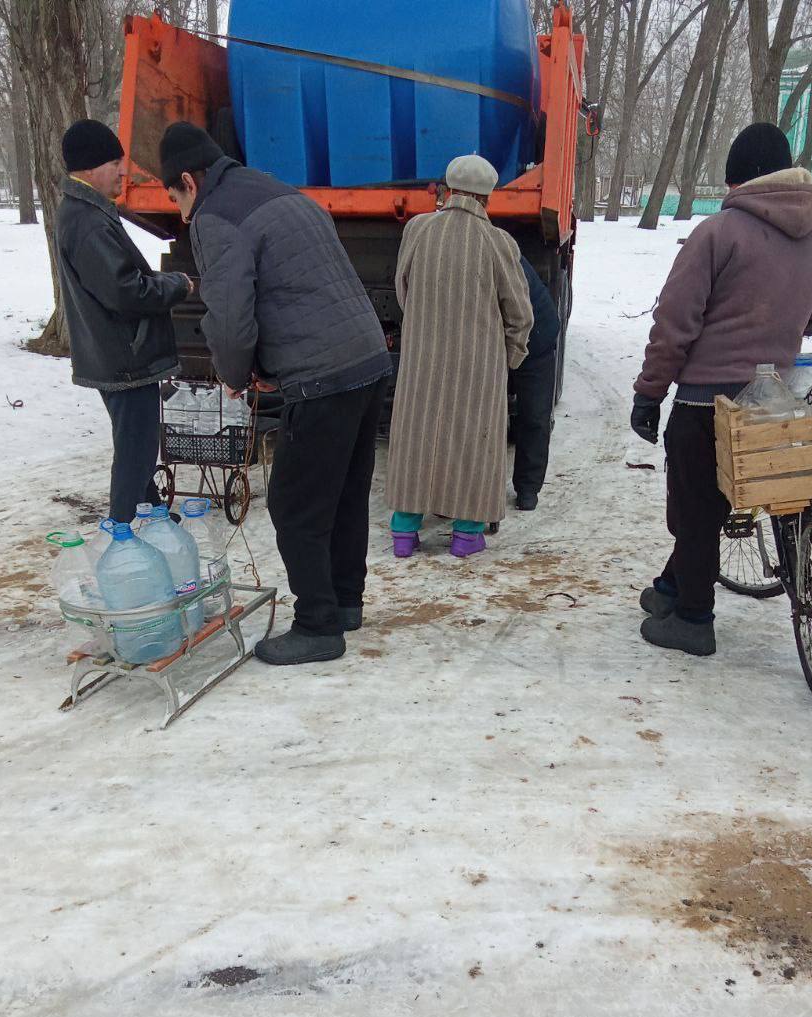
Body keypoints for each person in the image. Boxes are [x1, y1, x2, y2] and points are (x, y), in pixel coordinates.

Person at [160, 122, 392, 666]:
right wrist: (268, 363)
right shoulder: (280, 191)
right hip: (366, 360)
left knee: (293, 503)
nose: (179, 212)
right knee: (342, 494)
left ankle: (316, 624)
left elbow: (231, 318)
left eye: (175, 197)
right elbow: (297, 288)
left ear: (189, 181)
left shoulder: (215, 218)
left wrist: (237, 374)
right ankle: (344, 603)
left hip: (323, 373)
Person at [631, 123, 812, 657]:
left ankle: (694, 621)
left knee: (696, 506)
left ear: (738, 178)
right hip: (774, 397)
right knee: (720, 498)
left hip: (706, 398)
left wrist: (650, 392)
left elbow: (676, 321)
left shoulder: (718, 232)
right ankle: (675, 586)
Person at [385, 154, 533, 558]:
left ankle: (404, 531)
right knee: (473, 440)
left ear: (446, 190)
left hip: (422, 360)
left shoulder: (417, 229)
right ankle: (466, 534)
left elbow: (404, 290)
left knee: (416, 436)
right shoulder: (499, 242)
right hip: (479, 365)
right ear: (488, 198)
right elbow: (520, 313)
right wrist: (508, 358)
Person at [55, 120, 192, 524]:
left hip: (119, 354)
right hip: (125, 359)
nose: (122, 171)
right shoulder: (87, 221)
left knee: (138, 445)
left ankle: (152, 516)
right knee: (135, 449)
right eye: (115, 162)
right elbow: (125, 292)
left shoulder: (88, 213)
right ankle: (123, 535)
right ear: (90, 167)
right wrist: (175, 286)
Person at [511, 257, 561, 510]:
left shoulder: (501, 254)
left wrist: (508, 359)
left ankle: (528, 487)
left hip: (536, 338)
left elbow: (520, 318)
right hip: (503, 336)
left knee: (534, 415)